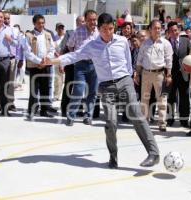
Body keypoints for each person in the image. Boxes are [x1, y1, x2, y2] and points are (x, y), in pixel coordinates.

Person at [42, 13, 160, 169]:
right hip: (106, 86)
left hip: (124, 81)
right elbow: (74, 56)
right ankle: (113, 157)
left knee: (137, 115)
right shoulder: (92, 45)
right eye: (104, 29)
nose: (108, 32)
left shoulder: (122, 41)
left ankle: (154, 153)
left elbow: (128, 62)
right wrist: (53, 61)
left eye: (111, 29)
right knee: (111, 122)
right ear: (98, 29)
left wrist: (129, 79)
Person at [135, 20, 173, 132]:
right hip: (146, 73)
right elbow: (139, 60)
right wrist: (137, 74)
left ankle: (162, 123)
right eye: (155, 28)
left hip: (160, 74)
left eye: (159, 28)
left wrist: (169, 75)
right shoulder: (145, 43)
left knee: (162, 99)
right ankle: (145, 121)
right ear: (150, 30)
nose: (157, 30)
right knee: (144, 99)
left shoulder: (166, 43)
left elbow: (169, 60)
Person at [64, 10, 99, 126]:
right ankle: (71, 116)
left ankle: (88, 116)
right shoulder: (78, 31)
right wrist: (76, 57)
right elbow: (69, 46)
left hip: (95, 65)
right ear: (85, 19)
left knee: (93, 92)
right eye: (90, 20)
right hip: (80, 66)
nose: (92, 22)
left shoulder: (99, 33)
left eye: (94, 19)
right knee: (78, 90)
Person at [20, 14, 56, 119]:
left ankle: (44, 111)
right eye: (39, 23)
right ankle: (32, 111)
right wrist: (39, 61)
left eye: (43, 22)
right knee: (34, 90)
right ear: (34, 23)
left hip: (46, 65)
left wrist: (46, 59)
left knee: (45, 89)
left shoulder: (48, 34)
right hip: (34, 66)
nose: (41, 25)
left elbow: (52, 49)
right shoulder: (28, 35)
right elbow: (27, 52)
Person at [167, 21, 191, 128]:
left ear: (179, 30)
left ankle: (184, 119)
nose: (174, 32)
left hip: (184, 74)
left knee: (184, 97)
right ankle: (170, 119)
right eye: (172, 31)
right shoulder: (165, 43)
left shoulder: (186, 41)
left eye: (176, 30)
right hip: (170, 75)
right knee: (170, 97)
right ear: (168, 32)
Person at [3, 11, 18, 111]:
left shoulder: (14, 30)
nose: (6, 20)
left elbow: (18, 44)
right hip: (2, 59)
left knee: (11, 82)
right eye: (5, 18)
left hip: (12, 59)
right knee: (2, 82)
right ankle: (1, 102)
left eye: (8, 18)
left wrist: (20, 59)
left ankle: (11, 103)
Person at [53, 22, 65, 101]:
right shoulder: (54, 38)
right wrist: (56, 53)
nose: (60, 29)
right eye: (59, 28)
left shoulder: (66, 38)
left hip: (65, 60)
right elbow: (52, 48)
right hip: (56, 60)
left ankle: (63, 95)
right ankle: (56, 95)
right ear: (56, 29)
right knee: (57, 79)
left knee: (64, 79)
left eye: (62, 28)